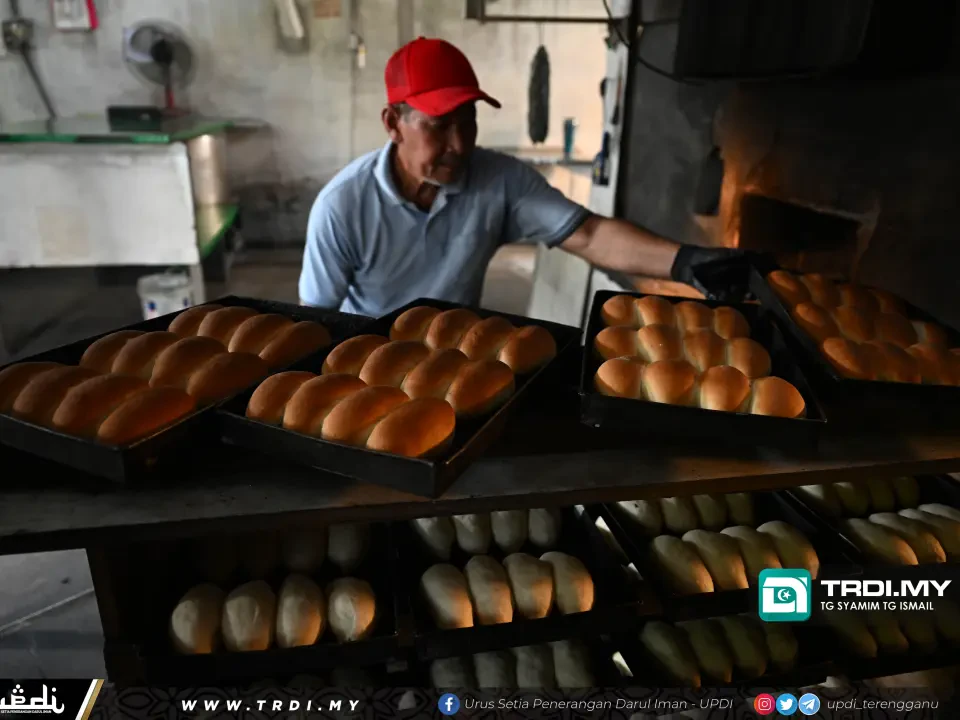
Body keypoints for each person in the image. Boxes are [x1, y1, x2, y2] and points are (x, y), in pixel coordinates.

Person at [299, 37, 742, 316]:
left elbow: (589, 235)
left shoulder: (500, 180)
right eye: (439, 124)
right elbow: (317, 318)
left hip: (456, 355)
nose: (459, 144)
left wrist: (686, 261)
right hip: (371, 360)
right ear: (393, 123)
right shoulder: (342, 206)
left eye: (467, 121)